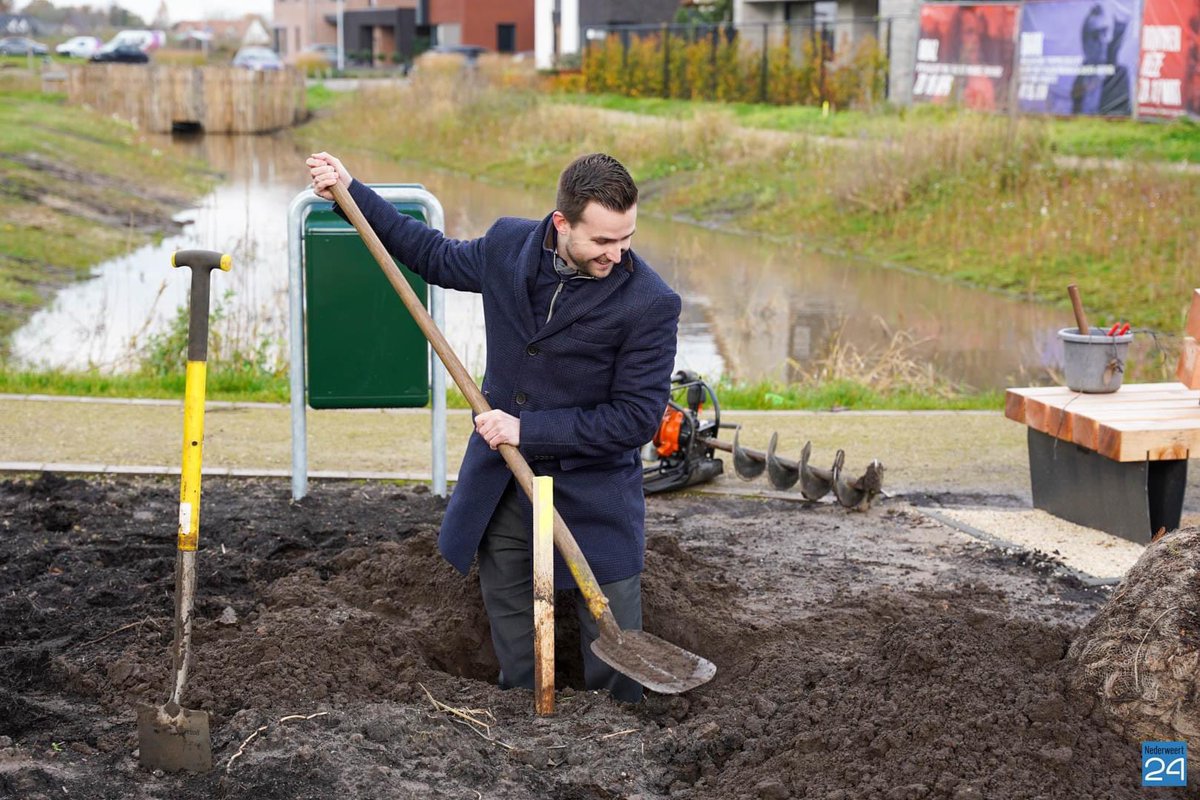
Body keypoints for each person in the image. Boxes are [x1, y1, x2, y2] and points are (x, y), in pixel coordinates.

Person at [306, 151, 681, 703]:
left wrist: (527, 429)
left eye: (625, 238)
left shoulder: (649, 302)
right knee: (510, 612)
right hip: (505, 479)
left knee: (616, 648)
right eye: (602, 241)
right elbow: (430, 254)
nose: (616, 254)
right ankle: (518, 711)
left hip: (593, 492)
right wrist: (351, 191)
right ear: (562, 223)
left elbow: (636, 419)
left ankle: (617, 733)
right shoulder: (510, 245)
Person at [1071, 1, 1132, 115]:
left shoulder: (1120, 74)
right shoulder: (1079, 77)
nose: (1102, 41)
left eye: (1104, 33)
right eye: (1095, 35)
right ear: (1085, 42)